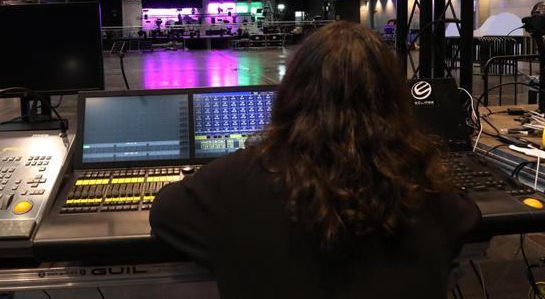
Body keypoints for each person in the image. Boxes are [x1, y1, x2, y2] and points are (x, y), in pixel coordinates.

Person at [150, 21, 480, 298]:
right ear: (394, 99)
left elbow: (164, 211)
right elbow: (467, 217)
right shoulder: (423, 184)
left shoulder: (237, 178)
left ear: (292, 92)